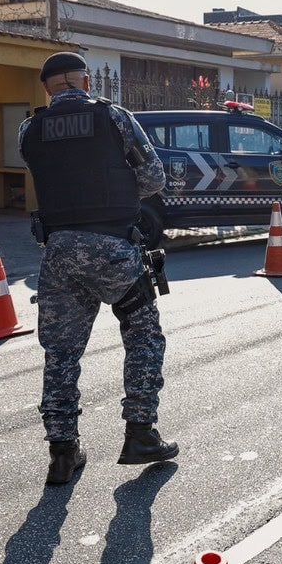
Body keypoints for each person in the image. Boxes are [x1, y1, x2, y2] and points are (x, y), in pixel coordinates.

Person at [19, 51, 176, 486]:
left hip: (59, 250)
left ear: (47, 88)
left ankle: (62, 453)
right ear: (86, 82)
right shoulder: (114, 117)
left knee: (61, 353)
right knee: (143, 335)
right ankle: (140, 434)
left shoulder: (30, 129)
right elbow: (154, 178)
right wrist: (117, 191)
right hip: (113, 247)